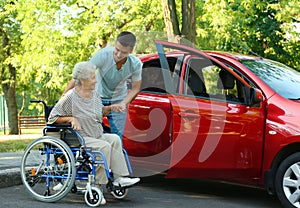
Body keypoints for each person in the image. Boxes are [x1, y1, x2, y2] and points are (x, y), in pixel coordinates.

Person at [48, 61, 140, 204]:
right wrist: (71, 118)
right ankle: (97, 185)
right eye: (92, 77)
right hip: (81, 138)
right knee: (104, 147)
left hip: (96, 134)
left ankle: (119, 178)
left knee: (114, 139)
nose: (96, 80)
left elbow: (99, 111)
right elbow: (52, 117)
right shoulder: (70, 97)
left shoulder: (94, 95)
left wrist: (112, 108)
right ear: (83, 80)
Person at [63, 31, 143, 141]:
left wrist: (123, 103)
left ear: (131, 50)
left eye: (124, 52)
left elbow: (135, 89)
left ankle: (114, 156)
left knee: (117, 138)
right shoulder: (103, 55)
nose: (119, 55)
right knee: (91, 134)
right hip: (97, 98)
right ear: (115, 44)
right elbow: (81, 74)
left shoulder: (135, 64)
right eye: (117, 50)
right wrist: (65, 95)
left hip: (118, 100)